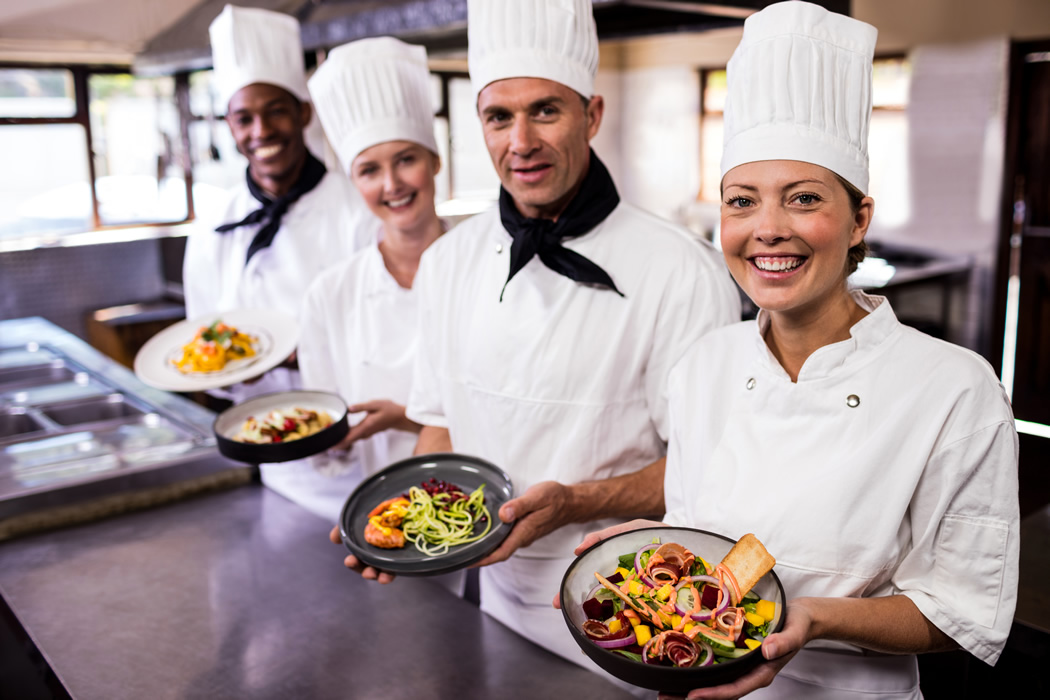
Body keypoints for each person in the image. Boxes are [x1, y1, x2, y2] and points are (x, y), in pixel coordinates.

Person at [571, 3, 1020, 698]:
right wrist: (652, 547)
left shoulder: (955, 389)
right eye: (742, 201)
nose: (768, 231)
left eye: (803, 198)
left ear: (858, 219)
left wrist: (809, 618)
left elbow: (957, 613)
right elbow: (703, 543)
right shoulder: (704, 367)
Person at [336, 0, 742, 671]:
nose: (520, 141)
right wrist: (405, 524)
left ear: (593, 114)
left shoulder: (681, 270)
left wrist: (574, 503)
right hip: (488, 596)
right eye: (499, 116)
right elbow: (439, 426)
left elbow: (703, 471)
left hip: (622, 606)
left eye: (545, 111)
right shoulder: (449, 262)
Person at [183, 5, 374, 511]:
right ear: (229, 125)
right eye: (244, 117)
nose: (261, 130)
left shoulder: (359, 208)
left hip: (357, 450)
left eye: (276, 110)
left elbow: (387, 334)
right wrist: (228, 369)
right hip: (266, 448)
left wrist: (302, 351)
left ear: (304, 113)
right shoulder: (213, 223)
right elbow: (203, 335)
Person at [287, 37, 445, 525]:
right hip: (383, 519)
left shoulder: (493, 267)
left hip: (495, 511)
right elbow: (326, 436)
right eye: (369, 170)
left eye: (406, 159)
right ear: (353, 182)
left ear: (435, 160)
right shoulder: (331, 294)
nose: (392, 184)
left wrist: (408, 416)